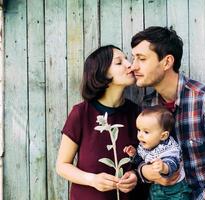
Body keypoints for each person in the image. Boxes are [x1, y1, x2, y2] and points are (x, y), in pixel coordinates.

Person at [130, 26, 205, 199]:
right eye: (133, 58)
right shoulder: (148, 107)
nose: (133, 66)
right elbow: (143, 157)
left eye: (141, 59)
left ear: (167, 62)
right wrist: (144, 171)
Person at [56, 45, 147, 200]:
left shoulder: (137, 114)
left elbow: (147, 158)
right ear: (102, 74)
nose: (129, 64)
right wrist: (92, 180)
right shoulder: (81, 113)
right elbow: (62, 166)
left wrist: (135, 175)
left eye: (127, 59)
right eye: (119, 63)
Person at [123, 105, 191, 199]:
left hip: (176, 191)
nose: (140, 135)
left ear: (163, 136)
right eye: (139, 130)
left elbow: (174, 163)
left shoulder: (169, 148)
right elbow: (143, 160)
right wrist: (134, 155)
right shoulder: (146, 145)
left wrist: (164, 167)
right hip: (156, 188)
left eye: (146, 132)